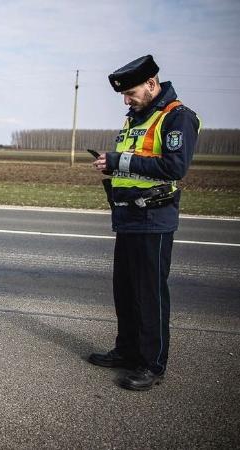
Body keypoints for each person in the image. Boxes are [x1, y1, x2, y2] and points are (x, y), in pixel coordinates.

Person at [89, 55, 200, 391]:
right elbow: (136, 163)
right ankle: (126, 350)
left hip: (154, 217)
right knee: (125, 290)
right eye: (123, 95)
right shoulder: (135, 117)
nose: (126, 99)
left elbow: (174, 167)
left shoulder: (178, 117)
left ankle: (152, 364)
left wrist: (119, 159)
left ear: (152, 84)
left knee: (149, 294)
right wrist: (113, 167)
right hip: (127, 216)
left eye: (131, 92)